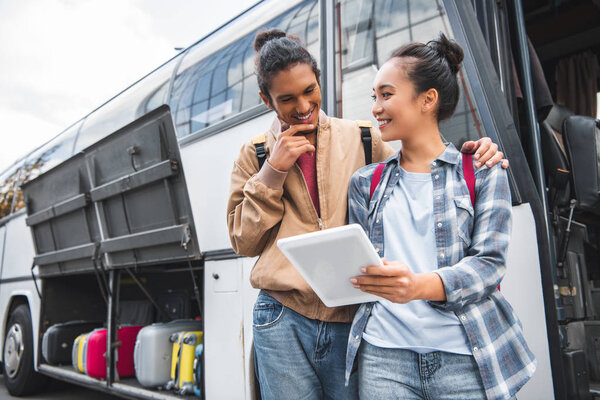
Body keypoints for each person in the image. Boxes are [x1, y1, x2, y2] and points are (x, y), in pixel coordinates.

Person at [227, 29, 507, 400]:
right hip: (282, 316)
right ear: (267, 100)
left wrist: (477, 152)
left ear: (318, 80)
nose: (302, 106)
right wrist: (272, 172)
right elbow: (242, 241)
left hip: (350, 316)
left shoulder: (361, 137)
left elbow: (417, 178)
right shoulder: (256, 153)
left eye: (309, 90)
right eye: (286, 98)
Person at [346, 34, 535, 400]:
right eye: (374, 97)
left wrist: (418, 286)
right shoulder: (364, 183)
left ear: (427, 100)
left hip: (465, 357)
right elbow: (358, 267)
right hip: (384, 357)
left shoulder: (482, 170)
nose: (376, 107)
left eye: (386, 94)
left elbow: (490, 265)